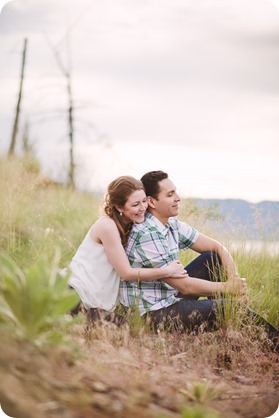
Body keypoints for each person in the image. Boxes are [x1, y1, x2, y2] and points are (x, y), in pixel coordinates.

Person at [120, 171, 279, 348]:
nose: (178, 198)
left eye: (176, 192)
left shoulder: (171, 225)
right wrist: (228, 289)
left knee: (212, 258)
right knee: (234, 308)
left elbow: (218, 247)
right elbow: (184, 285)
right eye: (170, 194)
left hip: (169, 298)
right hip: (152, 315)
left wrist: (234, 282)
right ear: (151, 201)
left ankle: (232, 324)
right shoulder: (148, 233)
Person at [68, 175, 187, 323]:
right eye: (135, 204)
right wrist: (167, 271)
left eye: (144, 201)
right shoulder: (107, 226)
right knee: (118, 326)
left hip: (95, 301)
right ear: (119, 207)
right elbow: (126, 273)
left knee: (120, 324)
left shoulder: (131, 225)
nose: (143, 208)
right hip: (74, 294)